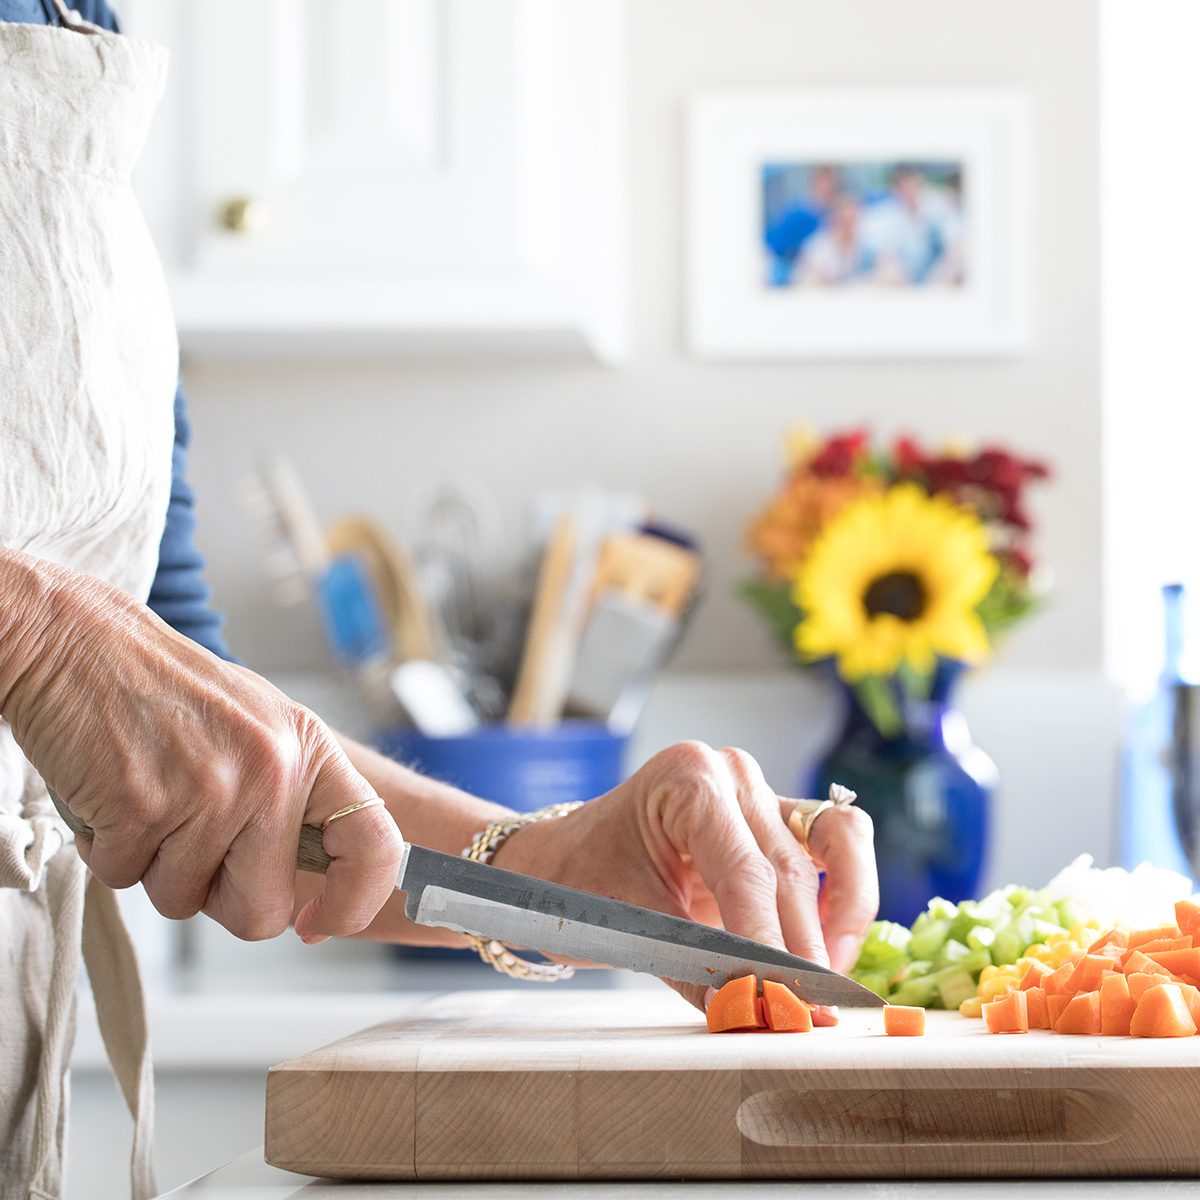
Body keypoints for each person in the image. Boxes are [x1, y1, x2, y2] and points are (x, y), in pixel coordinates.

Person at [0, 4, 879, 1198]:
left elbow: (195, 687)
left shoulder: (79, 26)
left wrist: (539, 861)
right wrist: (31, 629)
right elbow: (79, 639)